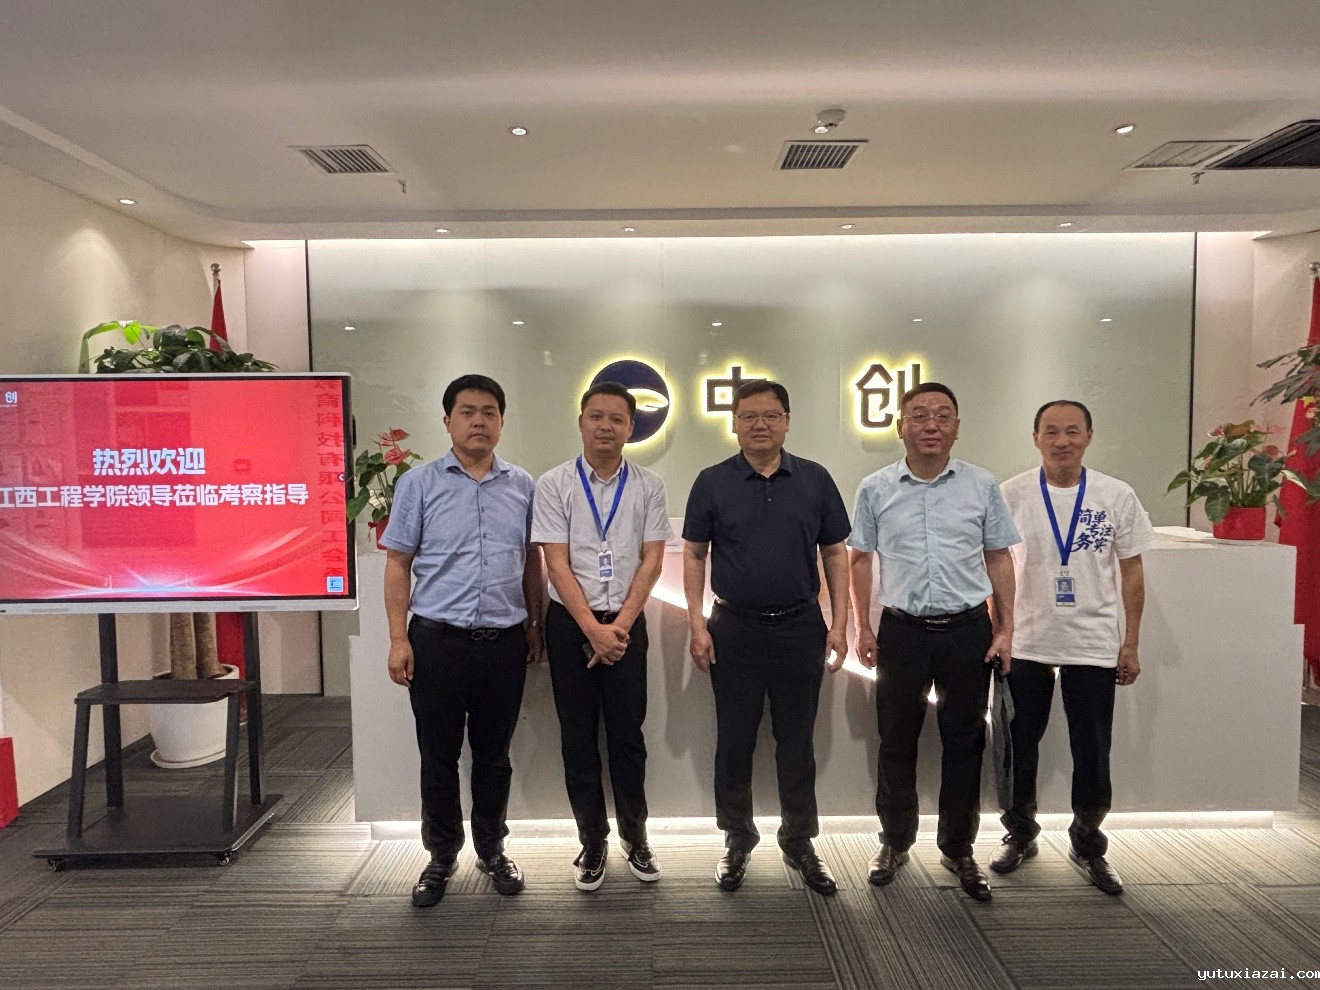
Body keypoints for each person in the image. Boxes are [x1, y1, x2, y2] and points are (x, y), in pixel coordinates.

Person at [849, 382, 1019, 902]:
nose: (931, 425)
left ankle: (958, 848)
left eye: (943, 415)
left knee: (965, 740)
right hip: (902, 631)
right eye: (919, 415)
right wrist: (864, 627)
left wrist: (1005, 628)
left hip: (968, 630)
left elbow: (998, 557)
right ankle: (894, 841)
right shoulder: (875, 488)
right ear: (900, 426)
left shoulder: (981, 484)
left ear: (957, 427)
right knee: (895, 739)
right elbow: (859, 559)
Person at [380, 373, 544, 908]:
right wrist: (398, 638)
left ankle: (492, 849)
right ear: (448, 420)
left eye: (489, 412)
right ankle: (441, 855)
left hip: (503, 643)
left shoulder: (522, 485)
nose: (479, 421)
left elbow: (531, 562)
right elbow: (398, 563)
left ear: (501, 422)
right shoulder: (418, 484)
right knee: (439, 757)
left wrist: (535, 624)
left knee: (495, 757)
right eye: (468, 411)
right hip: (437, 642)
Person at [682, 379, 851, 896]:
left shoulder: (815, 479)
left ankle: (798, 839)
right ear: (734, 423)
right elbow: (694, 554)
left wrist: (839, 623)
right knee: (734, 740)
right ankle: (737, 838)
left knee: (796, 740)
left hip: (800, 626)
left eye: (771, 415)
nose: (760, 424)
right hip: (734, 627)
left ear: (787, 421)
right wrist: (696, 624)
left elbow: (835, 552)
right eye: (749, 416)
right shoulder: (712, 481)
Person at [991, 399, 1156, 895]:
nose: (1061, 441)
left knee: (1092, 747)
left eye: (1071, 431)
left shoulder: (1115, 495)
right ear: (1035, 437)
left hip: (1093, 641)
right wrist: (1002, 631)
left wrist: (1131, 642)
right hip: (1028, 639)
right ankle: (1020, 834)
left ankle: (1088, 841)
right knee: (1018, 744)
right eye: (1051, 431)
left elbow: (1132, 572)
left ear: (1088, 436)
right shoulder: (1011, 494)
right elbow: (995, 567)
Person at [532, 381, 670, 891]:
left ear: (631, 427)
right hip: (571, 624)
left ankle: (635, 836)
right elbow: (555, 562)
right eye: (596, 416)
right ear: (581, 422)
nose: (605, 426)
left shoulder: (650, 485)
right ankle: (592, 842)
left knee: (628, 738)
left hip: (627, 624)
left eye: (616, 418)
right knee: (577, 738)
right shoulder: (554, 484)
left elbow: (652, 559)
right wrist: (592, 630)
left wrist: (619, 629)